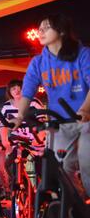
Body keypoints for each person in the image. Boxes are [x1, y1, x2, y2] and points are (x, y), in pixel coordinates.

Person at [12, 14, 90, 198]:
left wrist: (85, 109)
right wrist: (20, 116)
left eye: (46, 27)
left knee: (86, 161)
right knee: (62, 168)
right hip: (60, 122)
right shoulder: (39, 62)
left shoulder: (83, 54)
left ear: (61, 31)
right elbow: (27, 92)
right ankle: (77, 207)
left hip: (86, 119)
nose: (40, 32)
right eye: (39, 29)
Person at [0, 79, 45, 185]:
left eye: (20, 88)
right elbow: (2, 125)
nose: (17, 91)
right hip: (18, 140)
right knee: (10, 164)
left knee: (41, 167)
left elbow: (42, 122)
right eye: (14, 89)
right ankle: (18, 186)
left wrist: (38, 138)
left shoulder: (34, 102)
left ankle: (42, 189)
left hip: (36, 139)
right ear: (9, 91)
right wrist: (5, 141)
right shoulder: (6, 106)